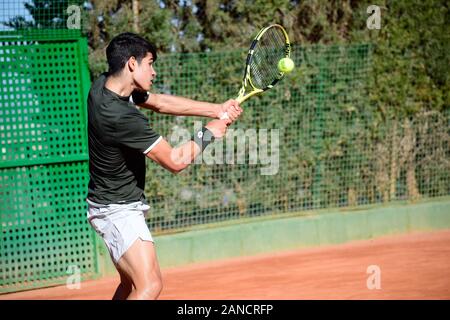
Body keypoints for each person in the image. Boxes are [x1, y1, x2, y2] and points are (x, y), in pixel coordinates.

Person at [86, 32, 242, 300]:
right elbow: (175, 161)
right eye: (150, 63)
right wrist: (209, 133)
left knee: (129, 285)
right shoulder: (119, 116)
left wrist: (216, 110)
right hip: (117, 210)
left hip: (110, 204)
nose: (154, 71)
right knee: (149, 286)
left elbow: (159, 102)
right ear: (132, 64)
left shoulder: (103, 86)